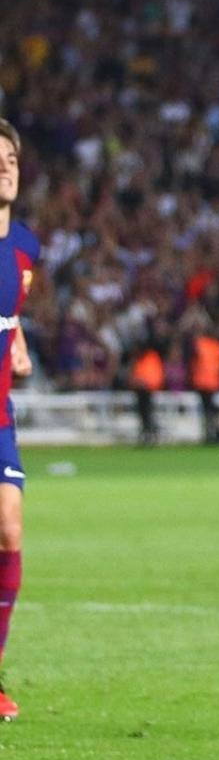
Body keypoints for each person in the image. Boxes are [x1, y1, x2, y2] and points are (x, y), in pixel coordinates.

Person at [0, 118, 40, 722]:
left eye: (10, 159)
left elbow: (12, 309)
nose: (4, 167)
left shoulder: (27, 243)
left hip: (0, 414)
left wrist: (19, 343)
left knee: (9, 529)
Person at [188, 327, 219, 444]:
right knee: (212, 409)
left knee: (207, 409)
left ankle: (211, 433)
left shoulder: (200, 344)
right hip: (213, 382)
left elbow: (193, 356)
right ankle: (216, 432)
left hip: (202, 382)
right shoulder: (216, 345)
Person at [129, 338, 164, 447]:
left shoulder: (151, 358)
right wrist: (135, 382)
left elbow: (155, 376)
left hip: (148, 391)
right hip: (139, 391)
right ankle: (146, 435)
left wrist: (144, 383)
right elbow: (134, 374)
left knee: (148, 415)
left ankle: (150, 436)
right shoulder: (139, 359)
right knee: (143, 415)